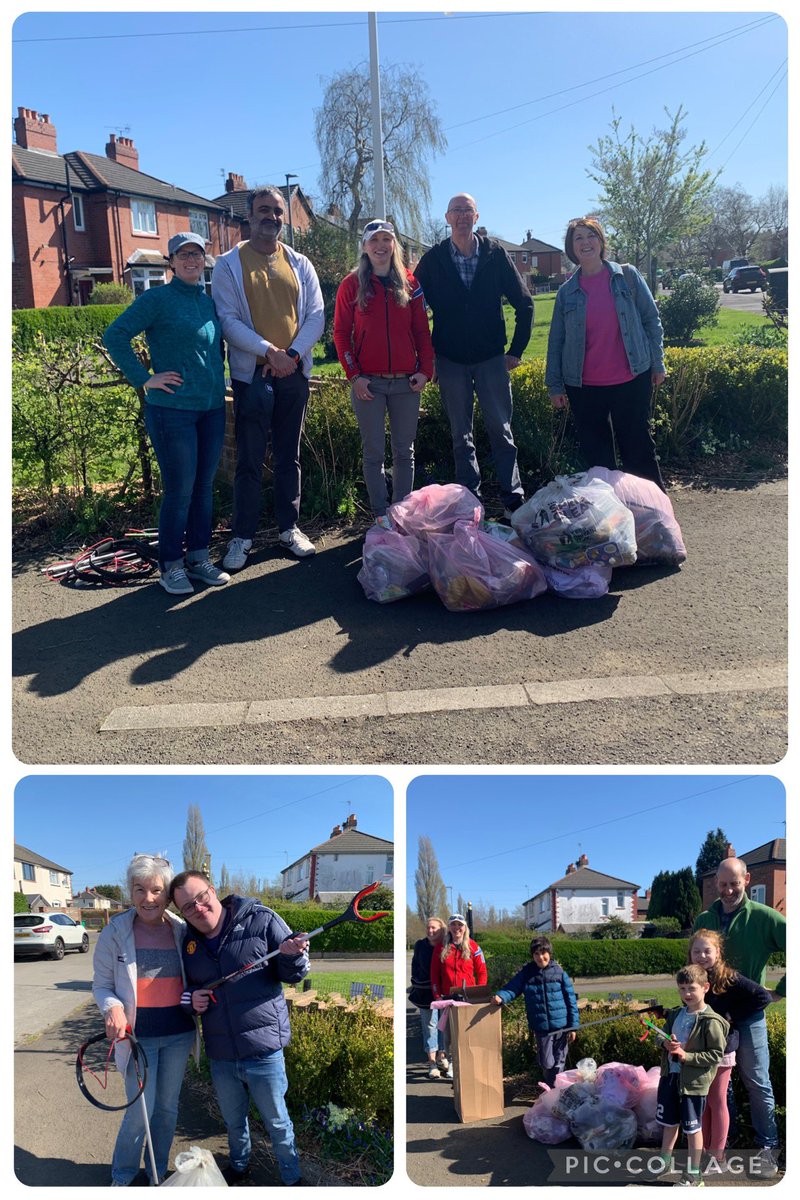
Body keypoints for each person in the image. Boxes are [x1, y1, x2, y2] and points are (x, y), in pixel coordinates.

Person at [103, 232, 229, 595]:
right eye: (183, 254)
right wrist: (144, 379)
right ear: (171, 262)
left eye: (197, 254)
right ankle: (171, 564)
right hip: (172, 412)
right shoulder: (157, 299)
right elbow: (116, 335)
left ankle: (199, 558)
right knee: (180, 490)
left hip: (211, 409)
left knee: (203, 488)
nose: (191, 260)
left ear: (204, 260)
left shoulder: (207, 302)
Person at [169, 870, 309, 1186]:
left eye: (201, 898)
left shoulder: (261, 919)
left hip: (263, 1051)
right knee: (234, 1122)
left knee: (277, 1122)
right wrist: (192, 1000)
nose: (198, 909)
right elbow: (187, 990)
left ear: (212, 890)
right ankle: (239, 1166)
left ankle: (292, 1178)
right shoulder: (189, 943)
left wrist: (292, 957)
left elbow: (295, 973)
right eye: (187, 907)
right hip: (221, 1054)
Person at [211, 187, 325, 570]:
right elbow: (228, 320)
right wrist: (269, 352)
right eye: (264, 210)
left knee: (289, 456)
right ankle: (242, 537)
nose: (272, 217)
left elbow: (316, 316)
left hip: (293, 373)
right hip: (251, 376)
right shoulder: (228, 265)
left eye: (278, 211)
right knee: (249, 458)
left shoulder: (299, 262)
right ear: (249, 215)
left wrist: (290, 356)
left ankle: (288, 528)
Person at [414, 193, 532, 518]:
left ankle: (513, 500)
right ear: (447, 218)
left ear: (476, 217)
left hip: (492, 358)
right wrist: (428, 358)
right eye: (457, 211)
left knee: (501, 430)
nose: (462, 216)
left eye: (468, 210)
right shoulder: (434, 259)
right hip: (450, 360)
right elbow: (412, 307)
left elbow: (524, 303)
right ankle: (471, 503)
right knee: (460, 436)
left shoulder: (495, 254)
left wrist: (516, 351)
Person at [92, 854, 198, 1186]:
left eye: (156, 890)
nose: (148, 898)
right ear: (130, 891)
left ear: (168, 894)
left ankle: (157, 1173)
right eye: (139, 889)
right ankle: (122, 1176)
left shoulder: (182, 930)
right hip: (138, 1041)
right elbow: (102, 985)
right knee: (140, 1115)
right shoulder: (115, 932)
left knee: (167, 1111)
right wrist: (112, 1007)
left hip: (179, 1036)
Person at [545, 216, 667, 490]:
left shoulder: (627, 277)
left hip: (632, 379)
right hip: (585, 387)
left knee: (638, 451)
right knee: (599, 463)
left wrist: (658, 363)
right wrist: (554, 385)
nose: (586, 242)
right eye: (579, 238)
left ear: (601, 241)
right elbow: (556, 341)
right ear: (571, 247)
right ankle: (612, 521)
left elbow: (651, 319)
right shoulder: (567, 292)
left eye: (591, 236)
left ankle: (655, 516)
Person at [333, 219, 434, 525]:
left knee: (405, 452)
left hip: (406, 382)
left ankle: (402, 514)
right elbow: (340, 333)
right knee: (373, 453)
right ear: (364, 247)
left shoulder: (410, 283)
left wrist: (426, 370)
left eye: (386, 240)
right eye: (374, 240)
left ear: (394, 245)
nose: (380, 246)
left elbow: (421, 331)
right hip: (369, 385)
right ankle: (381, 516)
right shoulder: (351, 285)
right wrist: (354, 375)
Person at [693, 856, 785, 1176]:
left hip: (748, 1017)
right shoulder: (705, 918)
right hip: (711, 1019)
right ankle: (721, 1147)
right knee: (718, 1088)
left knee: (757, 1082)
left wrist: (779, 991)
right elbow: (693, 964)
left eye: (734, 883)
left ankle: (768, 1147)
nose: (728, 890)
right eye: (722, 884)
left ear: (746, 880)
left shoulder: (763, 917)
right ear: (716, 884)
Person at [687, 929, 774, 1168]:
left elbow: (761, 997)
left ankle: (718, 1156)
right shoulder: (693, 977)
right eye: (697, 951)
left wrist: (728, 1016)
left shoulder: (729, 978)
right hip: (700, 1050)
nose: (702, 955)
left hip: (722, 1051)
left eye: (707, 951)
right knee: (703, 1102)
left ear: (718, 952)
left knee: (717, 1101)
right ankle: (703, 1150)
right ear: (690, 954)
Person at [655, 964, 728, 1187]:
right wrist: (664, 1042)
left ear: (705, 987)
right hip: (671, 1078)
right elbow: (660, 1037)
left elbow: (716, 1054)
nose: (687, 993)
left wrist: (687, 1056)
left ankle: (694, 1174)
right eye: (682, 988)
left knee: (692, 1128)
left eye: (692, 988)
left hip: (693, 1084)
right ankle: (664, 1161)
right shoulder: (676, 1013)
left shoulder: (711, 1021)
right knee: (670, 1123)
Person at [491, 936, 579, 1087]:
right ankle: (552, 1085)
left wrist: (573, 1026)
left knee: (559, 1061)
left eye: (543, 953)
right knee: (546, 1062)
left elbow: (571, 1000)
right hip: (541, 1028)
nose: (540, 957)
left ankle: (554, 1091)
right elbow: (513, 988)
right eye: (536, 954)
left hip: (562, 1027)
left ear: (550, 953)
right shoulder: (527, 973)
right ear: (532, 956)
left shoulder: (559, 973)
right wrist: (501, 996)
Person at [430, 913, 487, 1078]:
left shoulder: (474, 947)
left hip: (468, 999)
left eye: (460, 925)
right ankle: (451, 1060)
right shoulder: (440, 947)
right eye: (453, 925)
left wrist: (479, 993)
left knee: (465, 1034)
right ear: (449, 927)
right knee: (448, 1035)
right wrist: (437, 994)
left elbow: (482, 971)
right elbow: (434, 974)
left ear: (465, 928)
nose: (457, 928)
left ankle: (460, 1065)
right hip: (448, 998)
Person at [409, 917, 448, 1079]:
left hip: (444, 993)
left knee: (444, 1027)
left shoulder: (446, 945)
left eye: (434, 928)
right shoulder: (420, 945)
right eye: (428, 928)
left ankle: (442, 1057)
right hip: (425, 993)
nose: (430, 931)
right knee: (430, 1026)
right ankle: (432, 1063)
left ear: (441, 930)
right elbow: (415, 965)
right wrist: (416, 980)